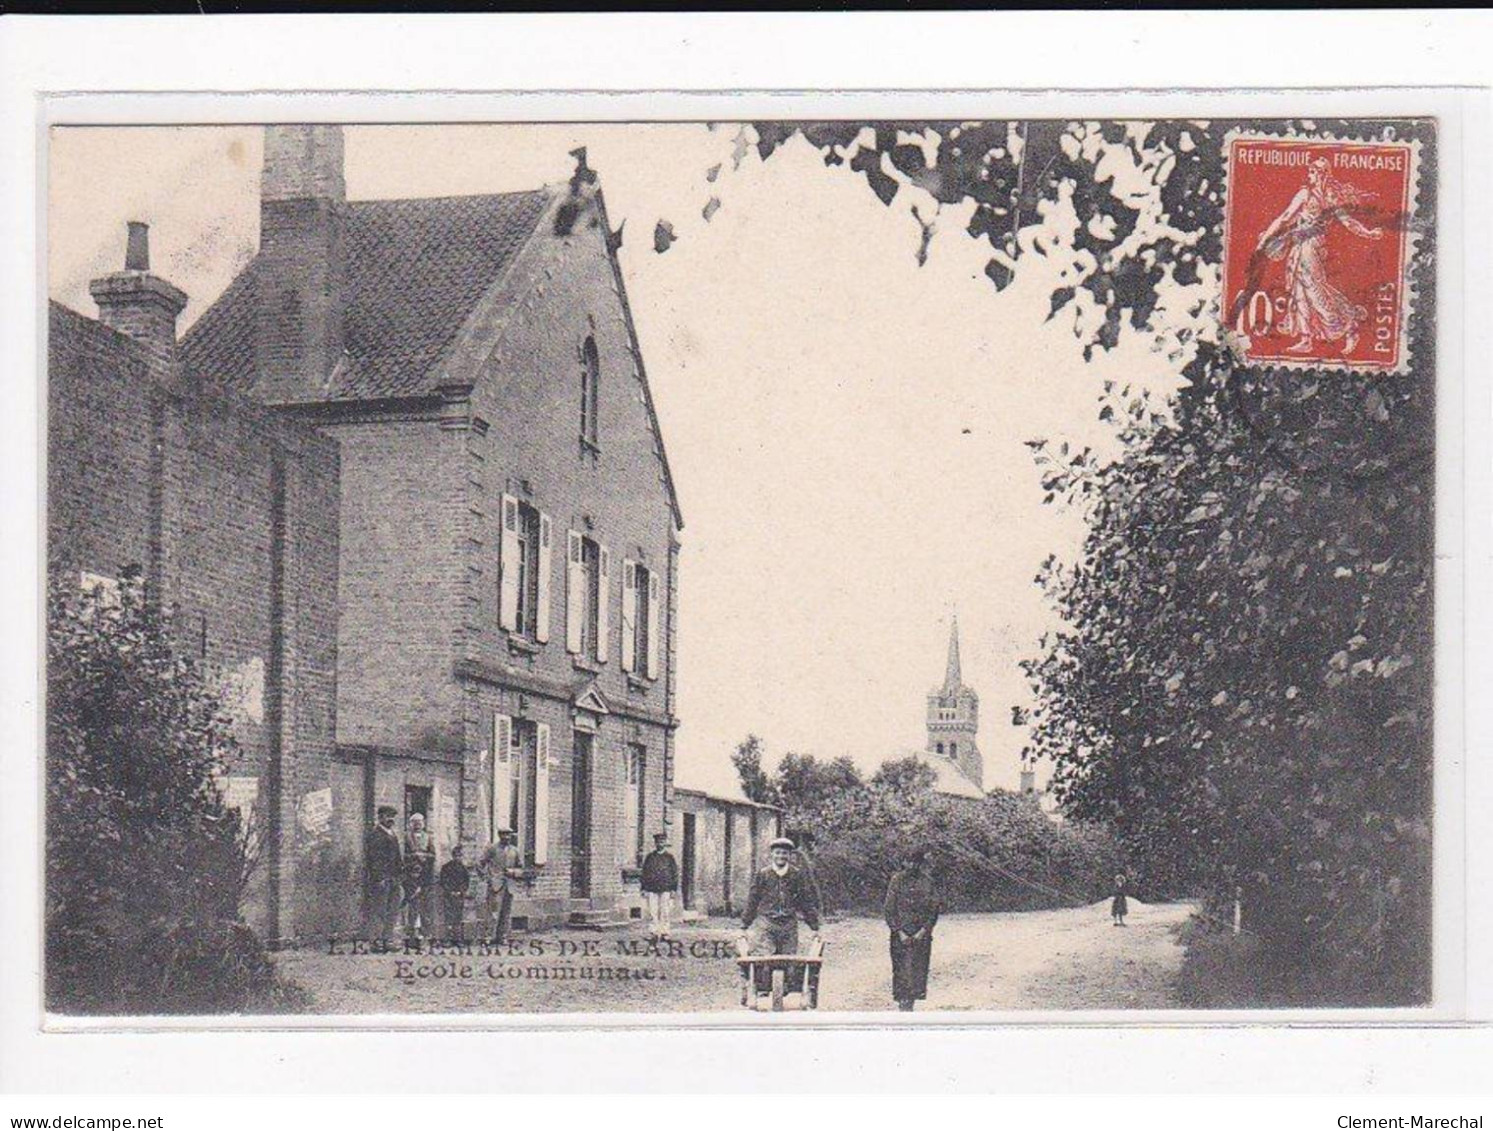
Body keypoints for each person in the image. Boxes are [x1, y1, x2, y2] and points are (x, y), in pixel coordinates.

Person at [1254, 156, 1383, 356]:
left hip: (1312, 248)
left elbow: (1347, 222)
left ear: (1322, 174)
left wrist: (1368, 233)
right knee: (1299, 290)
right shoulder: (1308, 194)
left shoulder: (1328, 197)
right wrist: (1266, 238)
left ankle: (1348, 325)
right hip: (1299, 245)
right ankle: (1306, 339)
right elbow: (1287, 218)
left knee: (1314, 289)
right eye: (1310, 171)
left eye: (1314, 172)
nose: (1310, 175)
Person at [739, 836, 822, 957]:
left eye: (785, 853)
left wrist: (815, 927)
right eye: (777, 852)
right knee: (763, 962)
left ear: (789, 855)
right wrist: (744, 926)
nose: (781, 856)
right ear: (772, 854)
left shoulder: (796, 875)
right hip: (766, 923)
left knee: (790, 963)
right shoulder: (763, 874)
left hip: (788, 925)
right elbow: (753, 900)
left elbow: (805, 901)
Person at [884, 847, 941, 1011]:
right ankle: (903, 1004)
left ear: (921, 863)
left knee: (918, 970)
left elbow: (933, 910)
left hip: (921, 935)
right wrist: (899, 932)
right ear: (904, 862)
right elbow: (889, 909)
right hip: (900, 935)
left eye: (916, 862)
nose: (913, 866)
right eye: (909, 862)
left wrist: (923, 931)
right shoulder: (896, 881)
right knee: (901, 970)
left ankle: (911, 1004)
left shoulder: (928, 882)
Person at [363, 805, 403, 946]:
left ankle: (387, 939)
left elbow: (397, 858)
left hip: (394, 878)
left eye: (392, 816)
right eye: (387, 816)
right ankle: (376, 940)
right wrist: (379, 878)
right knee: (380, 910)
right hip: (382, 879)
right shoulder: (375, 835)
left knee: (392, 909)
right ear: (380, 818)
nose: (391, 819)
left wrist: (399, 876)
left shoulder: (392, 834)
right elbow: (374, 859)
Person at [482, 830, 522, 946]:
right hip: (495, 884)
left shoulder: (515, 850)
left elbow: (520, 867)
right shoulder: (492, 848)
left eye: (509, 835)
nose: (507, 837)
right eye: (504, 835)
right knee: (493, 913)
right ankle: (488, 937)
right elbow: (480, 863)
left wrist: (514, 872)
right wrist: (488, 877)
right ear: (499, 836)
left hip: (509, 885)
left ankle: (502, 937)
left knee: (506, 912)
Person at [402, 812, 436, 941]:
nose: (418, 825)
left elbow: (433, 855)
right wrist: (413, 856)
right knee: (412, 903)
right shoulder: (406, 837)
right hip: (411, 875)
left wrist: (424, 857)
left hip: (425, 875)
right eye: (415, 822)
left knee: (425, 904)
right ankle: (410, 932)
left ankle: (425, 932)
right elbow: (403, 855)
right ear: (411, 824)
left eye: (420, 822)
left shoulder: (428, 837)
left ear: (424, 823)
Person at [640, 832, 680, 940]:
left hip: (666, 888)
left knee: (665, 911)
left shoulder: (669, 858)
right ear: (655, 843)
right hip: (652, 888)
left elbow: (674, 873)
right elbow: (644, 873)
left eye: (662, 841)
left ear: (665, 843)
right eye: (658, 842)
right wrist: (643, 888)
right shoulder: (650, 857)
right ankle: (653, 931)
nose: (660, 843)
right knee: (653, 911)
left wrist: (673, 889)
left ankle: (664, 931)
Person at [438, 844, 471, 944]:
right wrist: (450, 891)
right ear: (452, 856)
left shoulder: (464, 868)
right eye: (456, 856)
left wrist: (460, 891)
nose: (458, 858)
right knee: (448, 917)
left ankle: (458, 939)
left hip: (459, 896)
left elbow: (466, 882)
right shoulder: (446, 867)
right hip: (448, 896)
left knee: (458, 917)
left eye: (460, 856)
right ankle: (448, 939)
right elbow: (443, 881)